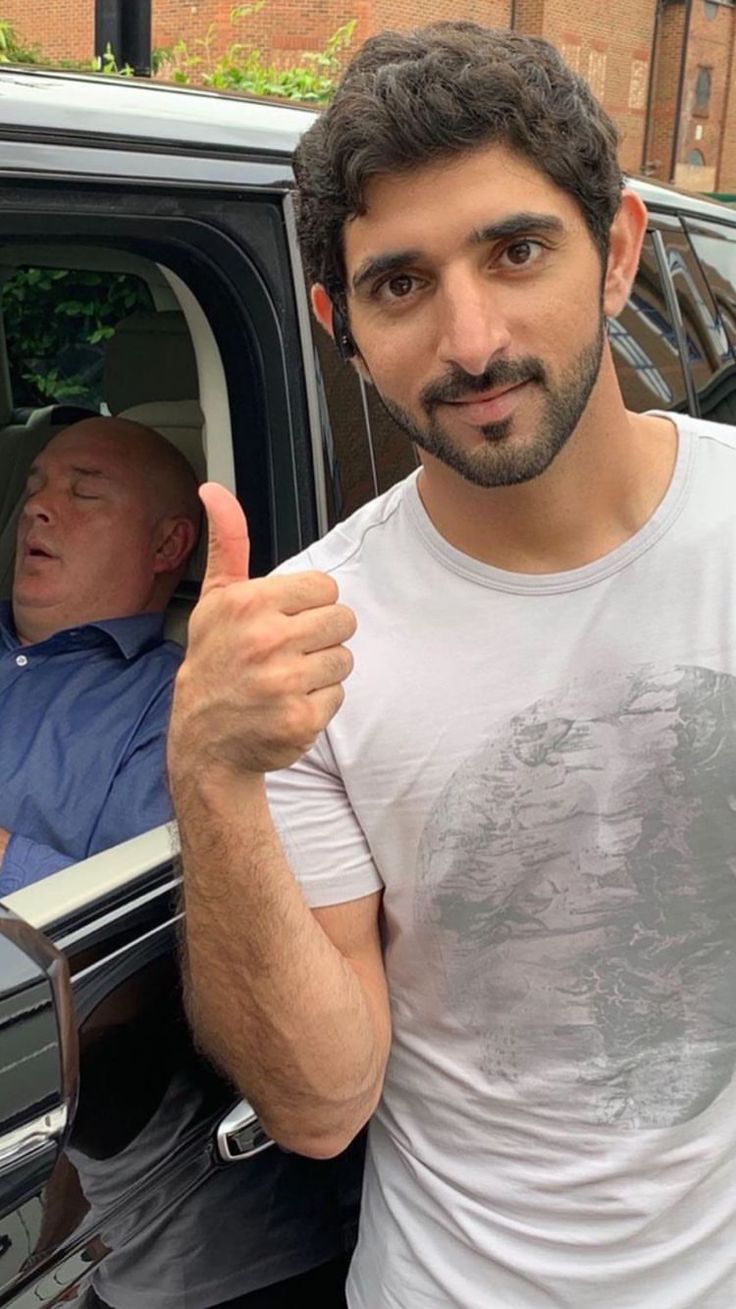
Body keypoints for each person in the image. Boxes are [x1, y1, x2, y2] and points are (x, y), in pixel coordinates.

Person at [167, 21, 736, 1309]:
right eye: (400, 284)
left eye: (517, 250)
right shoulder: (311, 644)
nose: (471, 342)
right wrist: (209, 768)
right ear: (340, 325)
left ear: (619, 252)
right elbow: (318, 1102)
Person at [0, 415, 199, 893]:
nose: (36, 508)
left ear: (167, 545)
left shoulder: (175, 705)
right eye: (34, 489)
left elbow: (139, 920)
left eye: (83, 493)